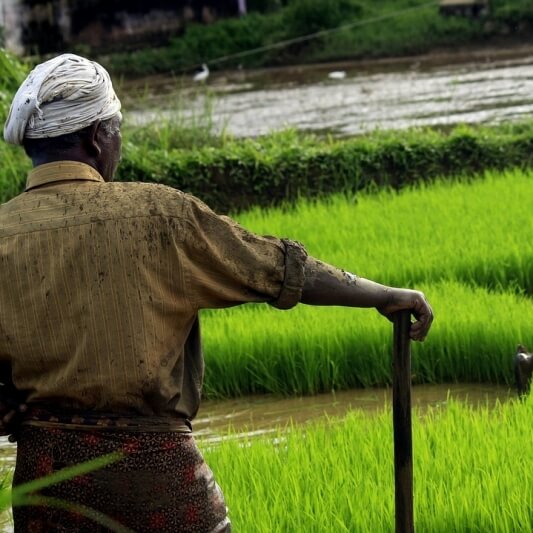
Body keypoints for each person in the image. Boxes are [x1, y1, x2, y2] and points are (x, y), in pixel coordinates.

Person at [0, 54, 433, 532]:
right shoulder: (158, 214)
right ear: (97, 137)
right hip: (156, 481)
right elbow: (277, 268)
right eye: (116, 129)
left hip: (45, 493)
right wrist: (382, 294)